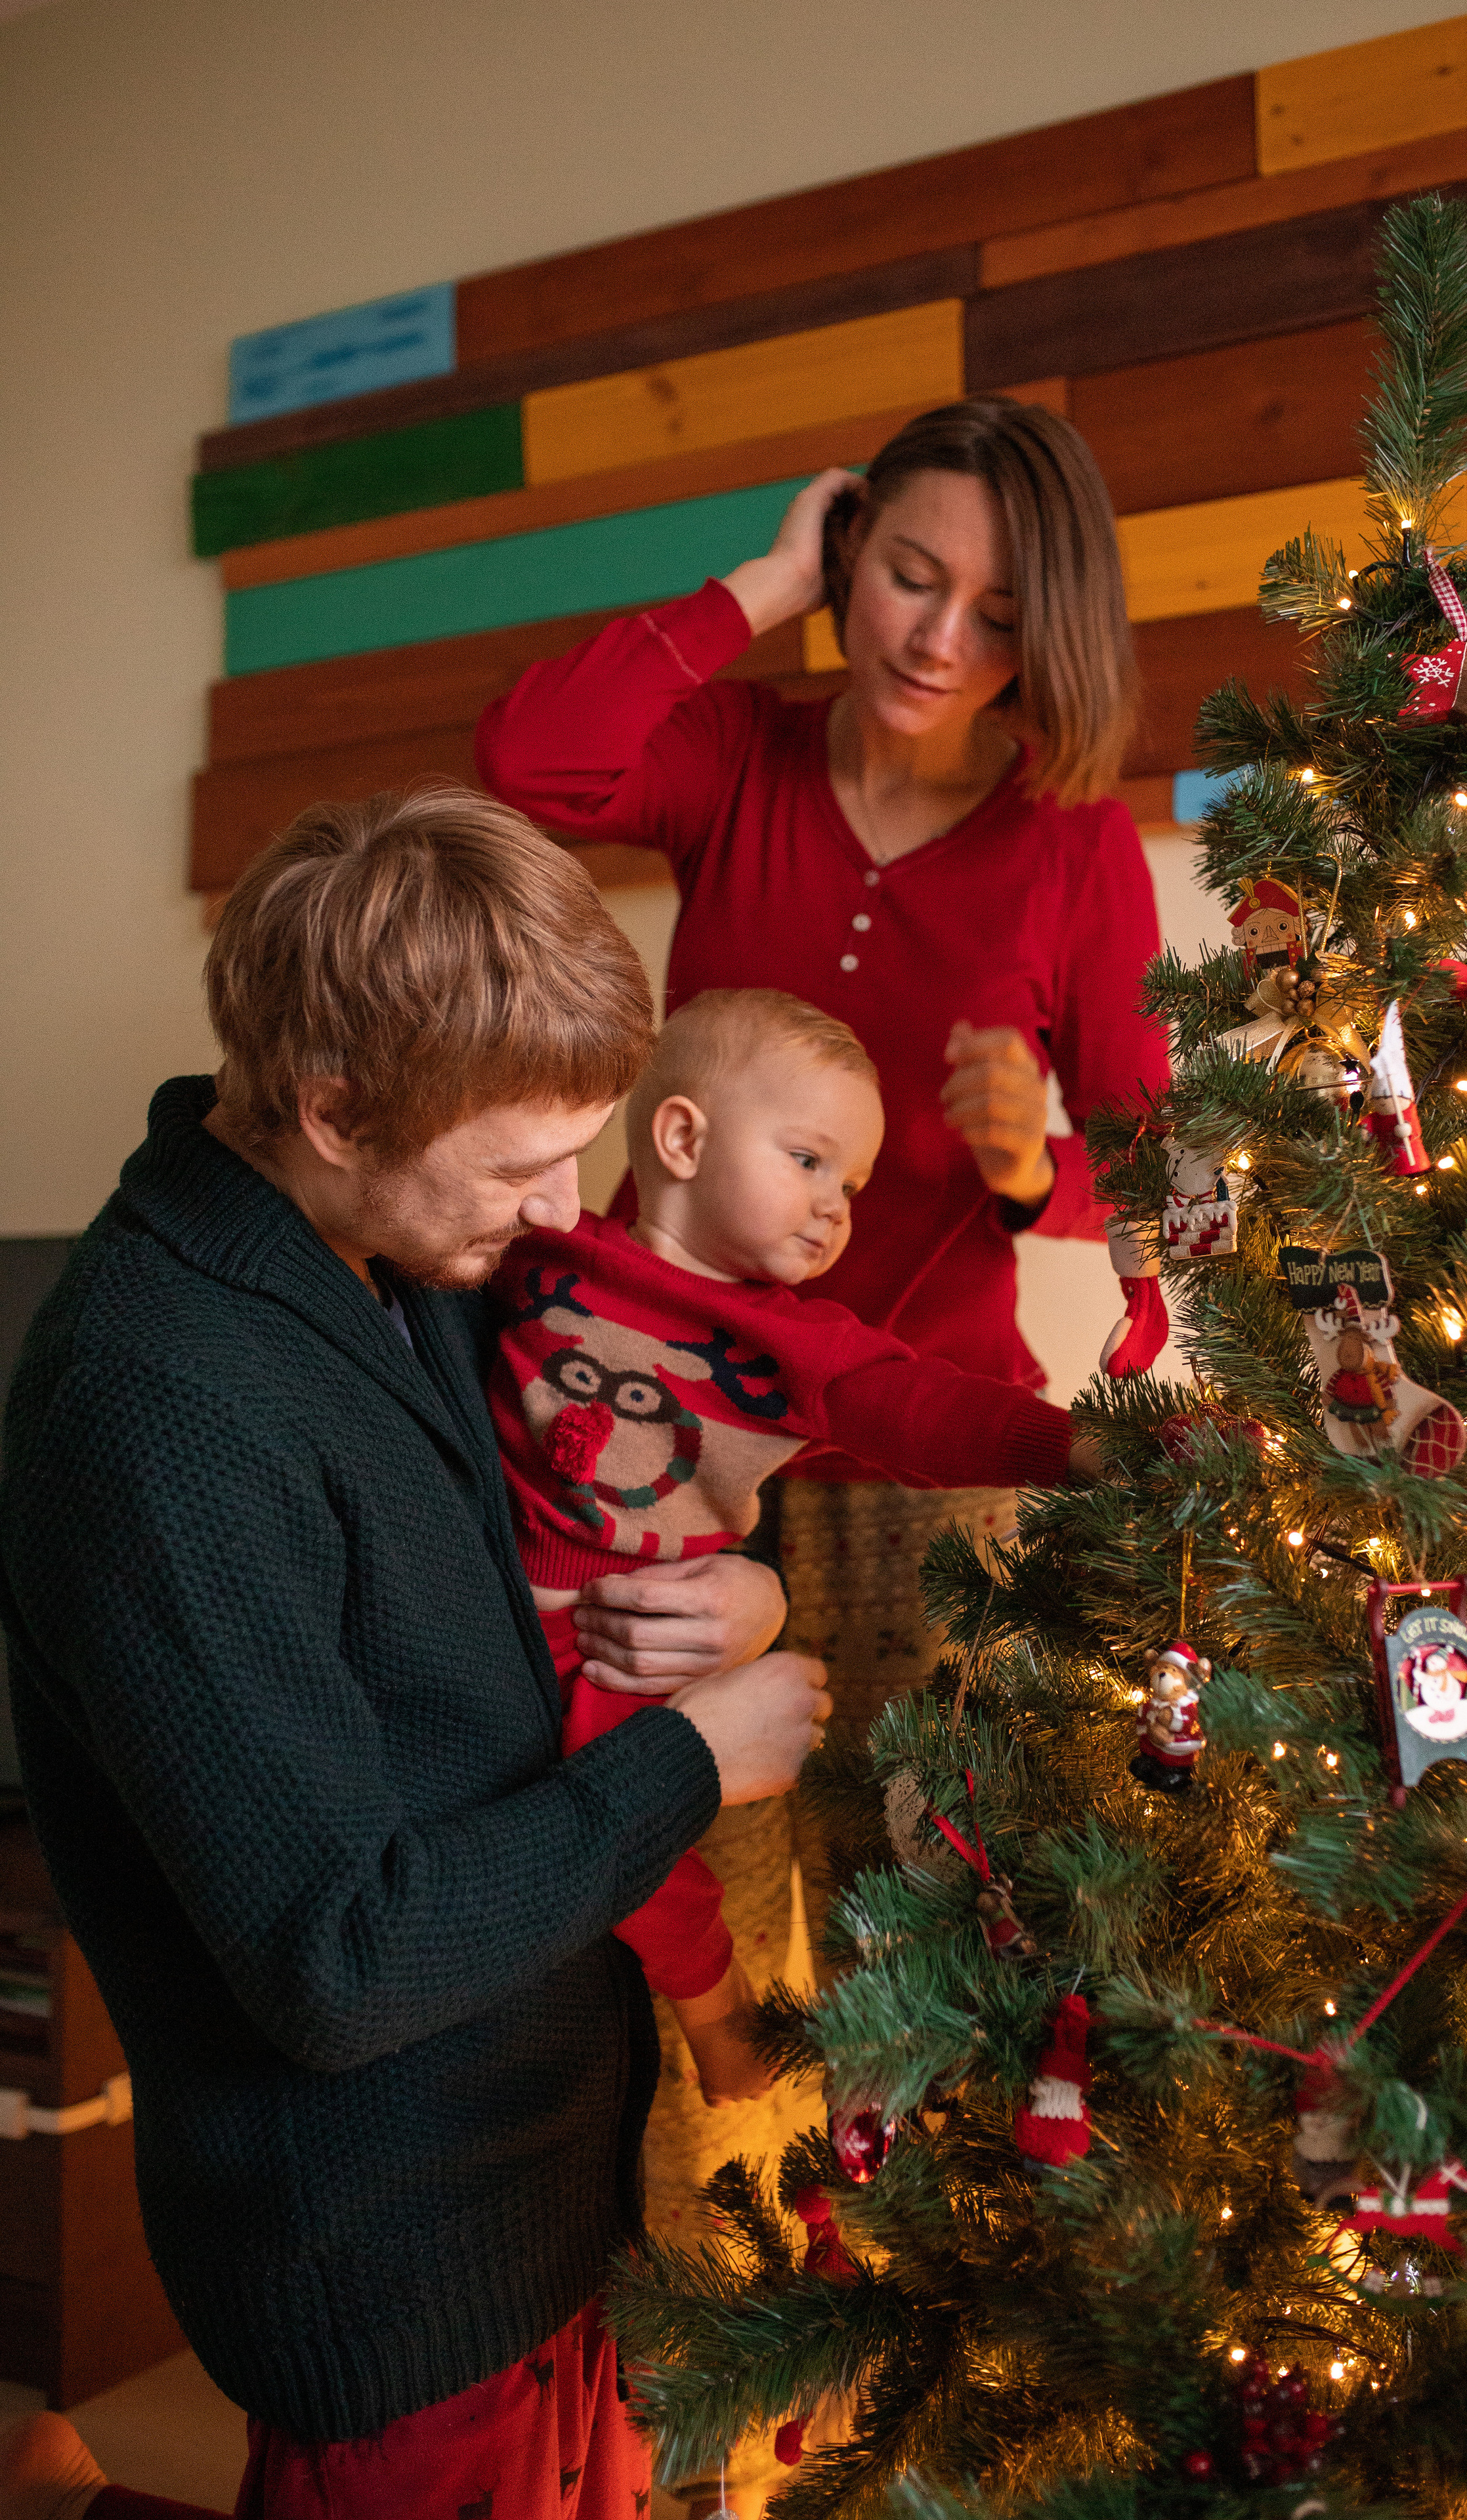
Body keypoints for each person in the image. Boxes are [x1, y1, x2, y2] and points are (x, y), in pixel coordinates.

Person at [478, 396, 1168, 2516]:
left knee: (937, 1967)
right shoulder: (753, 755)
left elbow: (1147, 1167)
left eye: (991, 603)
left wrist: (1031, 1161)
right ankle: (713, 2438)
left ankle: (961, 2446)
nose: (939, 635)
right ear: (852, 555)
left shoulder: (1072, 847)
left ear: (1052, 629)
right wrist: (750, 590)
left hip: (923, 1469)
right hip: (660, 1476)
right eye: (901, 573)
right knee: (698, 1937)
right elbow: (537, 770)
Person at [0, 789, 828, 2520]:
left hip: (551, 2186)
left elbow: (579, 1537)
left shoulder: (396, 1246)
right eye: (524, 1165)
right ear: (333, 1103)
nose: (557, 1212)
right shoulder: (158, 1403)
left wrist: (737, 1598)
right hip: (393, 2258)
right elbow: (337, 1952)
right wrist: (691, 1765)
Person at [494, 987, 1102, 2103]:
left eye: (854, 1188)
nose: (838, 1211)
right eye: (811, 1162)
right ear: (679, 1137)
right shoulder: (545, 1250)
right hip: (476, 1612)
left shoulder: (798, 1346)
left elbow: (932, 1411)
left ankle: (722, 2027)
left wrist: (1085, 1449)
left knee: (644, 1844)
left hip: (626, 1640)